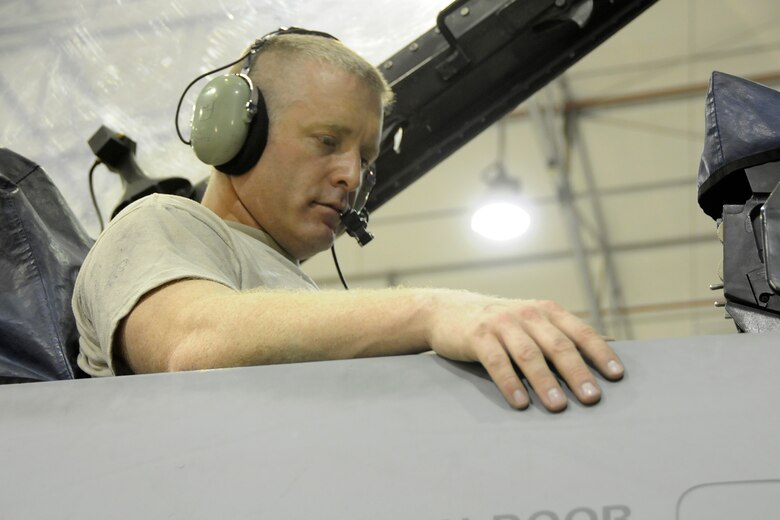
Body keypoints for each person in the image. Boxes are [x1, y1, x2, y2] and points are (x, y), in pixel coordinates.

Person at [73, 28, 624, 413]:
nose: (352, 175)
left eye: (365, 157)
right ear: (233, 132)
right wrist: (433, 309)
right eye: (327, 141)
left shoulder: (292, 299)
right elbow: (190, 343)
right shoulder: (161, 222)